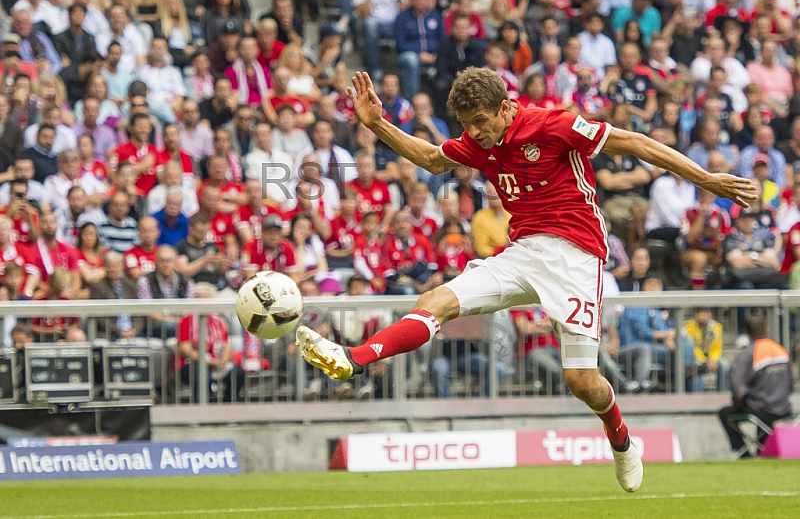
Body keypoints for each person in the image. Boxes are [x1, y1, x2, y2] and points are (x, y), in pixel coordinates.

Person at [296, 68, 756, 493]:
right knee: (436, 299)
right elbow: (432, 159)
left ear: (504, 107)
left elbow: (635, 143)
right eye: (465, 122)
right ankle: (354, 359)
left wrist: (705, 179)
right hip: (522, 252)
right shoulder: (478, 140)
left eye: (479, 120)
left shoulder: (552, 124)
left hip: (577, 255)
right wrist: (377, 124)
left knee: (581, 380)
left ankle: (620, 439)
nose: (474, 132)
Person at [718, 314, 793, 457]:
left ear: (745, 331)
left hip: (759, 409)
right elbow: (791, 384)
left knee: (724, 413)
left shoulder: (748, 354)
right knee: (764, 417)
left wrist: (738, 404)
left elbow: (736, 386)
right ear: (766, 329)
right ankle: (763, 451)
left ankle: (745, 453)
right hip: (784, 408)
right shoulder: (780, 350)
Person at [177, 282, 244, 402]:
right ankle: (201, 412)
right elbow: (185, 348)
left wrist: (222, 360)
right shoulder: (187, 320)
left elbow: (226, 344)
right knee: (201, 375)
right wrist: (207, 361)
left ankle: (229, 409)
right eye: (199, 298)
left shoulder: (219, 320)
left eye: (206, 298)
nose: (203, 301)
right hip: (194, 362)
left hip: (216, 362)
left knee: (237, 373)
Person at [89, 250, 143, 340]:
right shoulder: (97, 287)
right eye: (109, 266)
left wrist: (135, 330)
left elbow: (139, 313)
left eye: (115, 266)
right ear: (104, 267)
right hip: (109, 334)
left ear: (122, 266)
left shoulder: (130, 285)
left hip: (133, 333)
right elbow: (99, 316)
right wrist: (119, 332)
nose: (112, 269)